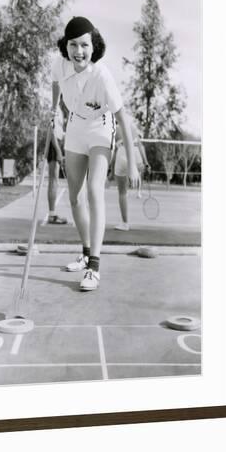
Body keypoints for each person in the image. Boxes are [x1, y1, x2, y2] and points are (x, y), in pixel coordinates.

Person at [51, 16, 139, 291]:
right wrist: (54, 111)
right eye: (73, 45)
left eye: (84, 45)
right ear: (66, 46)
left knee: (94, 190)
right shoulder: (58, 65)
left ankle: (95, 267)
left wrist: (133, 163)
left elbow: (123, 119)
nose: (79, 52)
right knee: (76, 198)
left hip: (101, 128)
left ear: (93, 46)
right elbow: (55, 84)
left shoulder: (102, 76)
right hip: (75, 126)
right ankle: (86, 252)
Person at [111, 119, 150, 231]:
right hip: (135, 153)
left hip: (122, 153)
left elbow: (112, 150)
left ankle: (125, 223)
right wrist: (146, 163)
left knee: (122, 193)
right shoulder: (132, 127)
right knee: (139, 169)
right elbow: (141, 146)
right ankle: (137, 186)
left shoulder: (114, 129)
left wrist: (110, 169)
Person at [46, 99, 69, 225]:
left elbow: (59, 131)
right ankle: (52, 214)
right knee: (53, 180)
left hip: (57, 144)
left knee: (54, 181)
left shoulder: (61, 112)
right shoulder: (55, 110)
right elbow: (52, 132)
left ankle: (52, 213)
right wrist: (58, 150)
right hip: (54, 145)